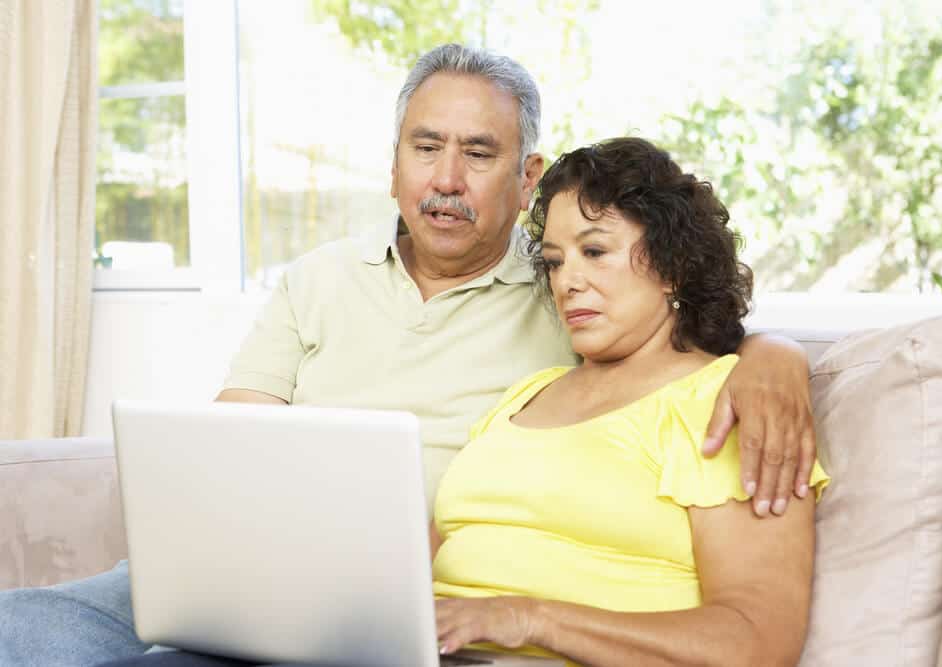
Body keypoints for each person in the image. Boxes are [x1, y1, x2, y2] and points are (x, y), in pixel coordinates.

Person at [0, 45, 817, 667]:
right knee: (25, 629)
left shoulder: (563, 310)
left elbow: (688, 327)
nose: (446, 179)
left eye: (479, 153)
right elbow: (229, 449)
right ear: (393, 166)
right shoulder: (327, 285)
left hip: (411, 622)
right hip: (283, 575)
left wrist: (774, 354)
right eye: (425, 148)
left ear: (525, 176)